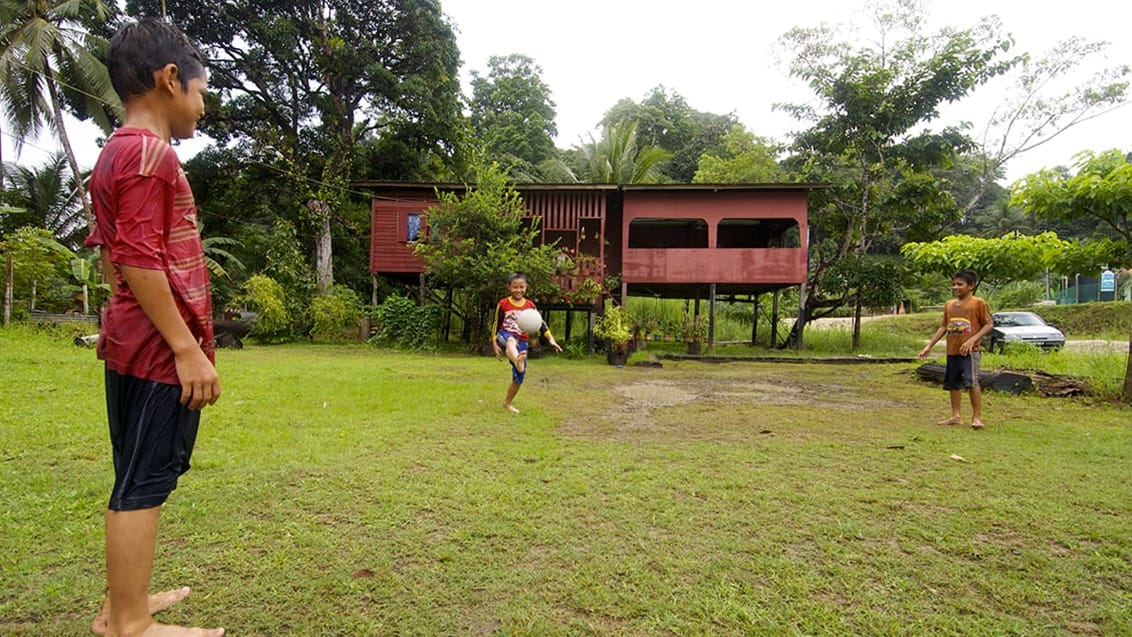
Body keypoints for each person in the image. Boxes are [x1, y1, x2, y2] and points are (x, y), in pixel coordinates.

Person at [84, 18, 225, 637]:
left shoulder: (116, 151)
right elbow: (140, 260)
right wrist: (186, 349)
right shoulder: (147, 154)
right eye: (200, 92)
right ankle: (131, 626)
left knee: (134, 475)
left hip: (129, 343)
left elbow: (111, 252)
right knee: (144, 482)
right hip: (154, 351)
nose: (201, 108)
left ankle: (123, 605)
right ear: (170, 80)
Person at [918, 269, 993, 429]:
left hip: (970, 351)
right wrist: (929, 346)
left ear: (971, 286)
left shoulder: (978, 303)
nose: (955, 287)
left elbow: (989, 325)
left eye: (960, 284)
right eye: (953, 284)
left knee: (972, 382)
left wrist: (973, 340)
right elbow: (943, 326)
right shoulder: (949, 305)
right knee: (953, 383)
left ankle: (977, 417)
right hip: (952, 350)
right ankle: (956, 416)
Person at [492, 272, 561, 413]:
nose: (518, 290)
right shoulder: (503, 303)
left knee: (519, 377)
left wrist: (551, 339)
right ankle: (517, 360)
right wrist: (494, 342)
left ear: (526, 287)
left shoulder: (530, 305)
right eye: (515, 287)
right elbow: (496, 323)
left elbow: (541, 323)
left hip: (522, 341)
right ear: (509, 287)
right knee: (511, 341)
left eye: (521, 287)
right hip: (505, 334)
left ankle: (507, 403)